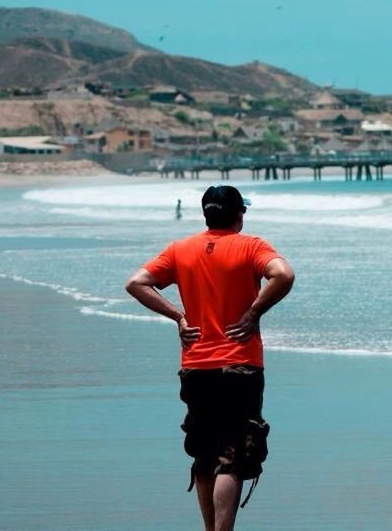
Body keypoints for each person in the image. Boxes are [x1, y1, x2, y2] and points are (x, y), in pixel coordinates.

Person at [125, 185, 295, 531]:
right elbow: (283, 274)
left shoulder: (180, 249)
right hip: (240, 361)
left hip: (196, 363)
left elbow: (137, 282)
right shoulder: (251, 246)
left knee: (204, 456)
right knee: (231, 457)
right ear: (239, 215)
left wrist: (178, 317)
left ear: (207, 213)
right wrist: (254, 312)